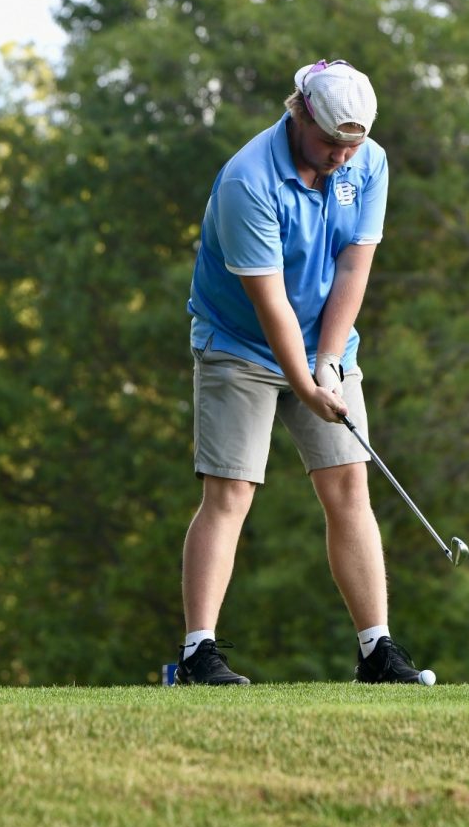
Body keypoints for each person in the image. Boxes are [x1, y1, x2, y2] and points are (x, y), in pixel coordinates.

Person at [175, 59, 435, 686]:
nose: (342, 157)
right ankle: (197, 654)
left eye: (352, 145)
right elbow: (270, 307)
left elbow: (353, 267)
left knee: (348, 485)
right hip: (240, 341)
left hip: (325, 340)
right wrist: (306, 382)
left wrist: (328, 365)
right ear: (298, 114)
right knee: (230, 491)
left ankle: (377, 651)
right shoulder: (247, 181)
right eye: (330, 144)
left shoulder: (367, 162)